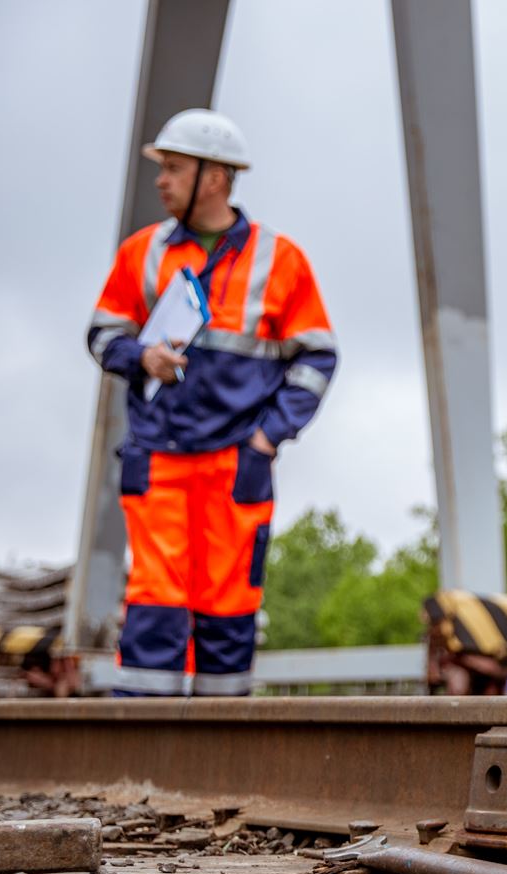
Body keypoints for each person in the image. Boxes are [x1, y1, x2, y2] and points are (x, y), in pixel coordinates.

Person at [87, 109, 338, 696]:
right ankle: (143, 759)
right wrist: (139, 357)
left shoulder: (282, 260)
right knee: (154, 604)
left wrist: (267, 437)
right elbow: (102, 335)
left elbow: (319, 358)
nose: (161, 180)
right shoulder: (142, 253)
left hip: (236, 463)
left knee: (229, 612)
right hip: (159, 458)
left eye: (173, 168)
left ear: (215, 178)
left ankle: (220, 755)